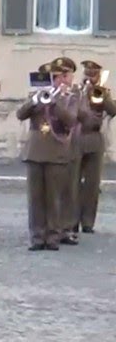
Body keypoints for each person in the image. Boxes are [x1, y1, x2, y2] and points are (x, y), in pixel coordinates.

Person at [17, 57, 79, 251]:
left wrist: (55, 103)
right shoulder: (36, 94)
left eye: (60, 76)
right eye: (54, 77)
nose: (57, 80)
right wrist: (35, 100)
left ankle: (53, 236)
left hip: (56, 152)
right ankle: (37, 237)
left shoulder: (70, 97)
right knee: (35, 198)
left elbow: (70, 121)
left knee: (54, 197)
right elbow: (20, 114)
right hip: (35, 151)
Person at [75, 60, 115, 233]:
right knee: (73, 183)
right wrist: (83, 93)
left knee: (92, 184)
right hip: (76, 139)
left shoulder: (104, 92)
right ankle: (72, 220)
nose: (90, 77)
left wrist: (103, 95)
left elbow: (113, 111)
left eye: (93, 74)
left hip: (95, 139)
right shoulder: (75, 91)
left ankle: (88, 222)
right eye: (87, 74)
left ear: (98, 76)